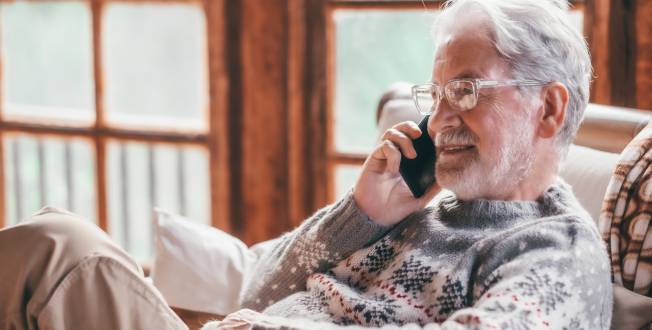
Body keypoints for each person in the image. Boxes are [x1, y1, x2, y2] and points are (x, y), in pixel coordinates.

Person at [208, 0, 613, 329]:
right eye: (436, 95)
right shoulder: (410, 208)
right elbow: (255, 297)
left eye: (464, 91)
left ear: (548, 109)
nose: (437, 121)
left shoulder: (558, 253)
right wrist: (360, 214)